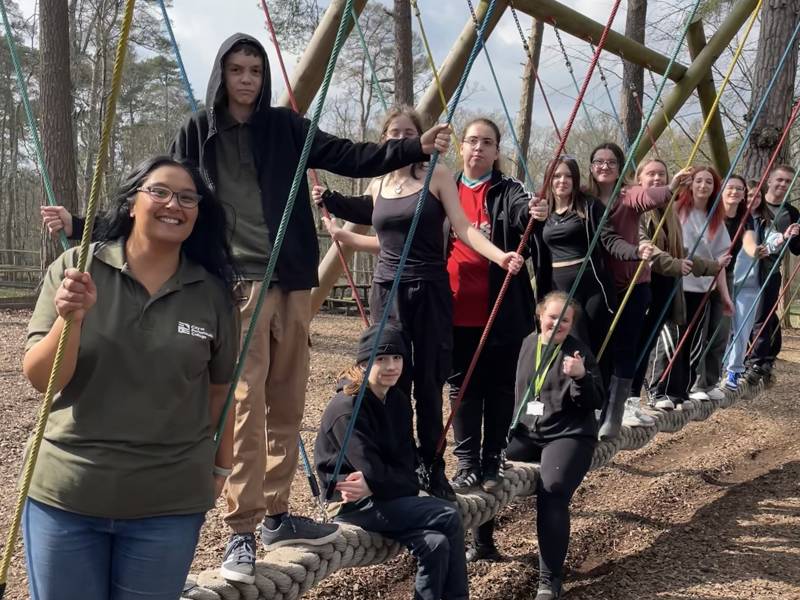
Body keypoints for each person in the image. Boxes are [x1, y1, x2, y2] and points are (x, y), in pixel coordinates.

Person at [41, 34, 454, 582]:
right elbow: (158, 196)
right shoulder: (197, 131)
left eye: (255, 71)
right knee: (244, 405)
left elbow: (351, 156)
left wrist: (413, 147)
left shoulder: (286, 128)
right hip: (238, 284)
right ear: (223, 73)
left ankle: (277, 515)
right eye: (237, 69)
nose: (246, 79)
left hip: (292, 280)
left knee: (287, 400)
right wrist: (83, 225)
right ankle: (241, 528)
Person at [22, 156, 239, 600]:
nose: (173, 204)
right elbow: (43, 380)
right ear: (130, 204)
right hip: (66, 496)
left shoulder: (213, 295)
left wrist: (221, 468)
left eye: (188, 198)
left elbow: (221, 392)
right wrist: (70, 319)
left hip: (168, 505)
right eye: (159, 191)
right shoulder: (77, 268)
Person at [315, 107, 523, 502]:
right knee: (391, 380)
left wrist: (500, 257)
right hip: (387, 291)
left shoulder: (436, 175)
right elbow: (364, 212)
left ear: (421, 139)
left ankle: (432, 464)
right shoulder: (379, 184)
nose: (401, 138)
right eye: (394, 133)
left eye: (409, 133)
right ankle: (400, 464)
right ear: (384, 139)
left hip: (429, 289)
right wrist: (328, 200)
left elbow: (462, 228)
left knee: (428, 383)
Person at [315, 323, 469, 600]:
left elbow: (405, 463)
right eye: (381, 358)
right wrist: (387, 481)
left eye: (397, 357)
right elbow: (373, 470)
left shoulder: (396, 400)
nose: (391, 366)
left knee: (435, 544)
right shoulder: (347, 409)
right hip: (351, 504)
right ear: (364, 363)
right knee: (447, 514)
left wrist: (379, 482)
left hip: (385, 497)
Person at [467, 291, 604, 600]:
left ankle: (549, 579)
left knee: (552, 491)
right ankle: (483, 545)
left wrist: (580, 377)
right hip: (528, 431)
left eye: (565, 320)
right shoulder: (528, 343)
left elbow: (594, 401)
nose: (557, 324)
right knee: (489, 470)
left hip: (568, 434)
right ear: (540, 316)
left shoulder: (577, 352)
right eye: (552, 317)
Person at [445, 117, 542, 496]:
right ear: (462, 147)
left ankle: (493, 457)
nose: (478, 148)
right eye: (472, 140)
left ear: (497, 151)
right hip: (454, 309)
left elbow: (522, 212)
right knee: (463, 388)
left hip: (501, 310)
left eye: (487, 142)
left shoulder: (508, 189)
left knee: (500, 388)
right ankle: (467, 462)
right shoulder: (446, 187)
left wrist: (533, 213)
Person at [587, 143, 691, 438]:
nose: (605, 166)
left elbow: (648, 197)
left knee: (626, 347)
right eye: (599, 161)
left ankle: (617, 411)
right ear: (591, 166)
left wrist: (670, 186)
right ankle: (596, 407)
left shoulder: (627, 195)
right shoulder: (587, 198)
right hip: (599, 286)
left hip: (632, 285)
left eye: (611, 162)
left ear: (621, 168)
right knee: (599, 347)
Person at [634, 159, 722, 409]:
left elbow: (678, 251)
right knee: (648, 343)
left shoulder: (667, 211)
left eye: (661, 174)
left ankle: (671, 392)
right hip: (645, 284)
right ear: (639, 179)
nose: (657, 178)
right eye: (651, 174)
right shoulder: (637, 210)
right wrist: (674, 264)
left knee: (667, 339)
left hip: (668, 287)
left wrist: (710, 266)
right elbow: (645, 246)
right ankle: (652, 392)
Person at [653, 166, 734, 405]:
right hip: (677, 285)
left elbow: (719, 264)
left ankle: (682, 391)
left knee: (692, 341)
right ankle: (660, 390)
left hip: (702, 289)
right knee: (671, 340)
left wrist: (725, 296)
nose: (703, 186)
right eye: (699, 180)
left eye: (709, 182)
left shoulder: (716, 220)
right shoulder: (677, 210)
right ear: (691, 184)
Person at [724, 181, 786, 390]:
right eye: (749, 195)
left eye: (757, 196)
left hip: (750, 283)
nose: (753, 199)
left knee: (742, 330)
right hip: (726, 279)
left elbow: (769, 242)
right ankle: (718, 368)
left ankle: (734, 370)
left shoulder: (763, 222)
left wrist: (782, 238)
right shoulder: (728, 217)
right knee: (722, 329)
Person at [745, 164, 800, 382]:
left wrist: (794, 235)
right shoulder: (753, 203)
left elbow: (796, 248)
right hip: (742, 271)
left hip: (769, 272)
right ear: (769, 181)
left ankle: (760, 362)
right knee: (742, 316)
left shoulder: (791, 213)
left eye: (788, 181)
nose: (783, 184)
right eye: (780, 179)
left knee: (763, 317)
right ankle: (742, 359)